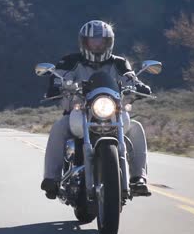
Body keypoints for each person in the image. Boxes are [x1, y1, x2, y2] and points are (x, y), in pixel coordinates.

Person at [41, 20, 152, 199]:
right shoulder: (70, 61)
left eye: (101, 40)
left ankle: (138, 178)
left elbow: (131, 79)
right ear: (84, 42)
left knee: (136, 128)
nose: (97, 44)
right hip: (79, 112)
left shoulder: (119, 63)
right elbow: (59, 77)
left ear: (109, 42)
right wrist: (56, 85)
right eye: (92, 40)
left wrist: (139, 86)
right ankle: (51, 179)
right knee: (59, 127)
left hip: (112, 112)